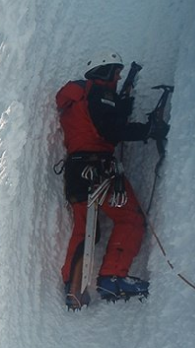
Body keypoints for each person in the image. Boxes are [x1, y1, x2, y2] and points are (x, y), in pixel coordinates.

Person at [55, 51, 168, 310]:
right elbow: (111, 130)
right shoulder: (98, 94)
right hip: (99, 169)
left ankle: (72, 286)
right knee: (130, 218)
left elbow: (101, 124)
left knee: (85, 229)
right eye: (115, 71)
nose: (118, 76)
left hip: (76, 172)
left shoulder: (77, 99)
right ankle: (113, 278)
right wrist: (148, 130)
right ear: (103, 69)